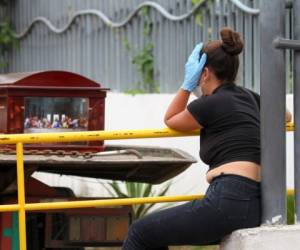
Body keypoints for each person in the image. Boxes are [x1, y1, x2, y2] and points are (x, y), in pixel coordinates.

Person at [122, 27, 291, 250]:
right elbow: (286, 115)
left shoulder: (208, 105)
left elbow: (171, 119)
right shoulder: (249, 97)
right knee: (156, 235)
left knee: (139, 232)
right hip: (255, 203)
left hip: (227, 200)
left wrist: (186, 85)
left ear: (204, 73)